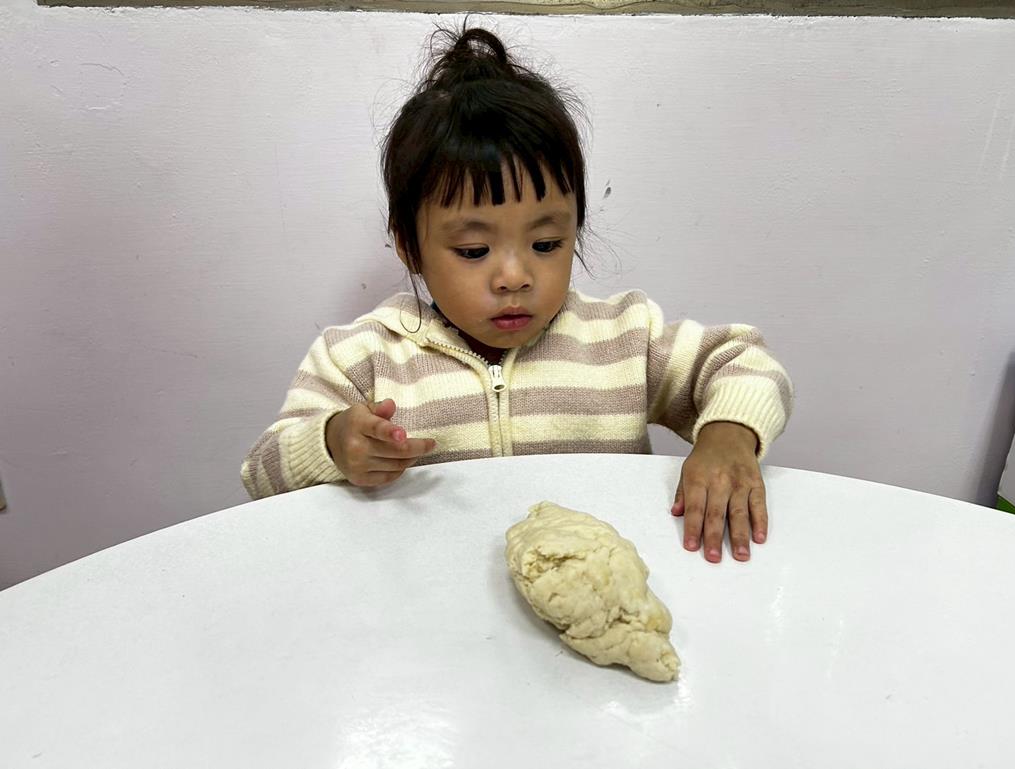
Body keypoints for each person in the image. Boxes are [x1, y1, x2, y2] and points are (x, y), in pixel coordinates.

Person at [241, 24, 794, 563]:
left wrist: (728, 434)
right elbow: (262, 472)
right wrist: (334, 443)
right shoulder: (362, 360)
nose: (514, 276)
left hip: (588, 599)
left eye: (546, 243)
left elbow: (745, 362)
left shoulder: (623, 340)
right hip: (426, 599)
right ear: (410, 246)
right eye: (474, 250)